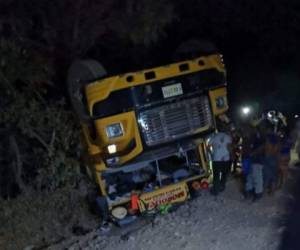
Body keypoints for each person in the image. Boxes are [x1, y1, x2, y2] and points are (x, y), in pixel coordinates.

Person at [208, 129, 232, 196]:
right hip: (226, 158)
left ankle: (216, 190)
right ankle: (222, 187)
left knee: (216, 175)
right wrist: (231, 155)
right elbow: (229, 147)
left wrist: (211, 153)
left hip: (216, 158)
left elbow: (208, 146)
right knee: (224, 174)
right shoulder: (228, 137)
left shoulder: (214, 137)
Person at [244, 128, 265, 201]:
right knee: (250, 177)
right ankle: (249, 191)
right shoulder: (251, 138)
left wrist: (252, 153)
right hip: (252, 161)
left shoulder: (259, 139)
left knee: (257, 178)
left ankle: (258, 193)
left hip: (257, 161)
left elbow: (261, 148)